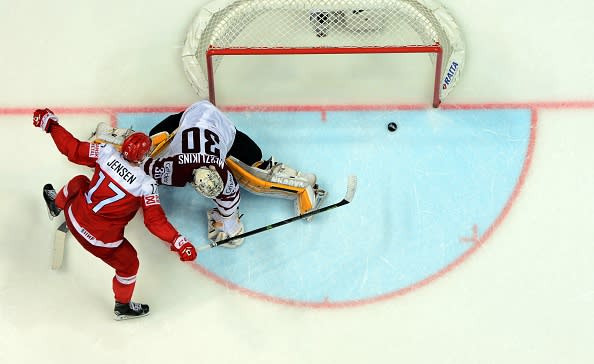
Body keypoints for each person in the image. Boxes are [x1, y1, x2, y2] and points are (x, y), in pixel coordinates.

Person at [33, 108, 197, 321]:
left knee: (80, 182)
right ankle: (123, 307)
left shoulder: (104, 153)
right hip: (100, 242)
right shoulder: (146, 185)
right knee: (129, 264)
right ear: (143, 157)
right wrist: (179, 242)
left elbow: (70, 148)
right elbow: (155, 221)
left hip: (73, 215)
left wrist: (51, 125)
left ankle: (57, 206)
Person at [92, 100, 325, 248]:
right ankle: (111, 138)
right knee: (148, 147)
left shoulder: (224, 182)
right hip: (188, 118)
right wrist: (226, 227)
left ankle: (302, 185)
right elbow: (143, 164)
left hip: (221, 127)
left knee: (254, 170)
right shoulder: (180, 169)